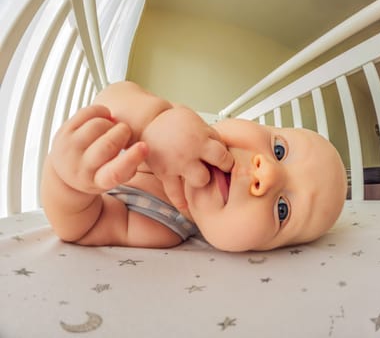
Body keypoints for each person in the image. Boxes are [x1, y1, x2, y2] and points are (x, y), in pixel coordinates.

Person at [41, 81, 347, 252]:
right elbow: (111, 94)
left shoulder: (163, 226)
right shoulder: (185, 126)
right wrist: (153, 120)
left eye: (283, 209)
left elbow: (82, 227)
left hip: (70, 172)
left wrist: (66, 181)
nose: (266, 172)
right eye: (279, 150)